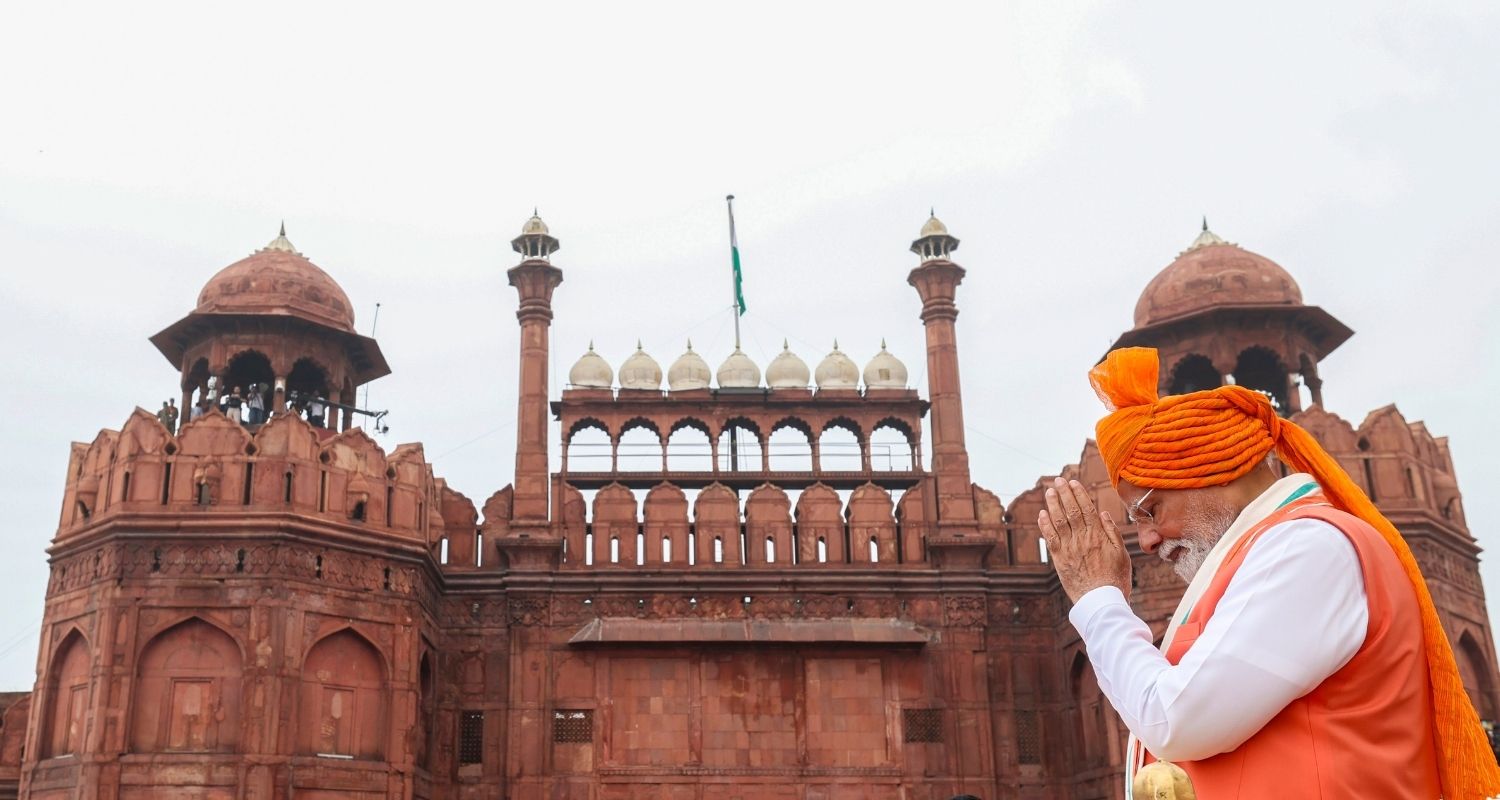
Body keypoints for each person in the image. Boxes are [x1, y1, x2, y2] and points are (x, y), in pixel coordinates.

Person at [1039, 346, 1499, 799]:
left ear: (1208, 468)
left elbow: (1176, 719)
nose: (1148, 541)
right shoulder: (1259, 558)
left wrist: (1099, 600)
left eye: (1151, 510)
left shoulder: (1306, 548)